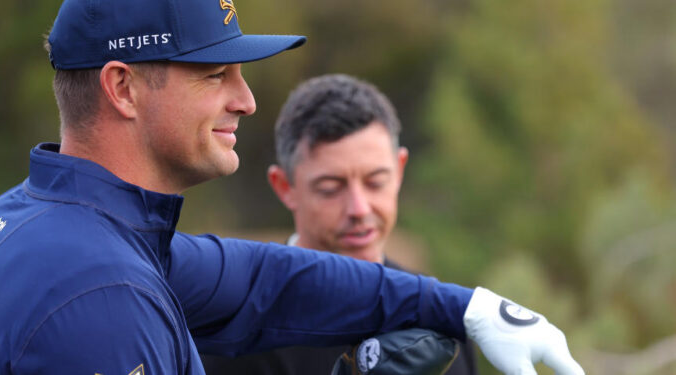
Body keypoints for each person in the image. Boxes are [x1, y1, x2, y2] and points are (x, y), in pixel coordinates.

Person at [0, 0, 585, 374]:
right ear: (122, 88)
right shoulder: (102, 294)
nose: (246, 100)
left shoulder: (45, 226)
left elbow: (271, 282)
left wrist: (467, 306)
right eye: (215, 73)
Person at [201, 74, 479, 374]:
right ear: (284, 186)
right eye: (331, 187)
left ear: (399, 171)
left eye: (375, 182)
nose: (359, 208)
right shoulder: (233, 334)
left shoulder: (440, 319)